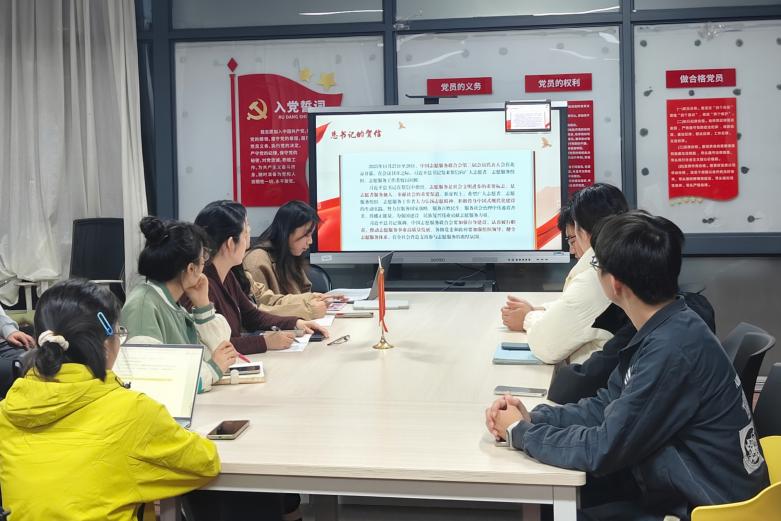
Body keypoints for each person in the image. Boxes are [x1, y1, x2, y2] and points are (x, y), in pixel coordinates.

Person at [486, 211, 769, 520]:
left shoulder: (671, 350)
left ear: (615, 283)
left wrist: (520, 432)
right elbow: (606, 406)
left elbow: (603, 449)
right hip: (684, 487)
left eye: (597, 264)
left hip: (705, 508)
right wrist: (535, 418)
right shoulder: (667, 325)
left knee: (558, 507)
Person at [0, 279, 219, 520]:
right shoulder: (132, 411)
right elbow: (205, 462)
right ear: (106, 344)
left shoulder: (8, 409)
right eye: (119, 332)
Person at [501, 183, 629, 364]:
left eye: (572, 238)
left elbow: (547, 345)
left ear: (583, 230)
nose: (571, 250)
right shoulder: (624, 258)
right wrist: (540, 310)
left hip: (592, 376)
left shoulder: (597, 276)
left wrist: (526, 318)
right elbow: (574, 307)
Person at [122, 216, 240, 393]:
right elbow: (154, 381)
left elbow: (220, 349)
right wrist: (212, 369)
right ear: (191, 269)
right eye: (203, 261)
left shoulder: (169, 303)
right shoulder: (143, 306)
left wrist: (203, 305)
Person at [193, 200, 328, 354]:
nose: (249, 236)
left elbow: (253, 316)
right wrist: (265, 342)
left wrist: (296, 323)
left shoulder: (228, 275)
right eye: (246, 231)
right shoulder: (201, 284)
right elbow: (215, 345)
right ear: (230, 243)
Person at [239, 200, 330, 320]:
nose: (310, 241)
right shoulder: (256, 261)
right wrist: (308, 309)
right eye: (306, 235)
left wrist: (313, 298)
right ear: (287, 232)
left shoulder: (289, 254)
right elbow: (261, 309)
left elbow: (282, 299)